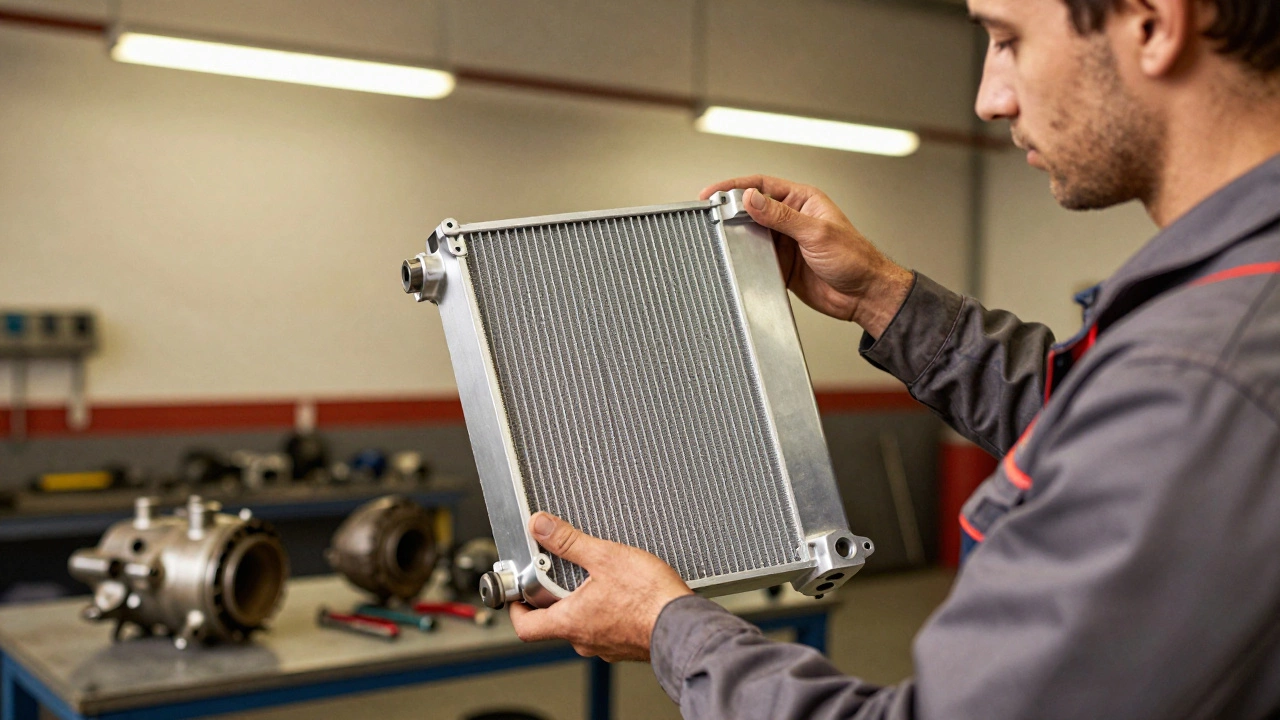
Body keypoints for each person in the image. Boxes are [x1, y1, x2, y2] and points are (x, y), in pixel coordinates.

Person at [510, 0, 1280, 716]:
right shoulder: (1229, 312)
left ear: (1151, 22)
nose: (990, 97)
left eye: (1009, 39)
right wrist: (881, 296)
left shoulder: (1201, 369)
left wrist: (667, 628)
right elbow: (1093, 427)